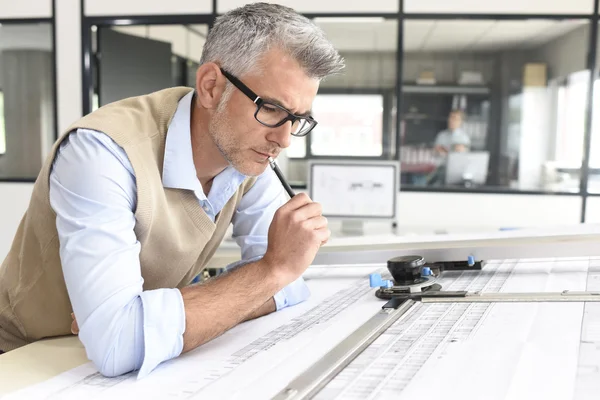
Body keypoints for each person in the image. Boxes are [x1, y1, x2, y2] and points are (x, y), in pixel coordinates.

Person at [0, 3, 344, 378]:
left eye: (298, 119)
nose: (284, 139)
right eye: (273, 109)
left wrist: (147, 315)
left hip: (127, 364)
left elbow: (292, 285)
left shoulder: (252, 154)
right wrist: (267, 273)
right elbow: (117, 344)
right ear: (211, 86)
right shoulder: (101, 152)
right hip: (26, 360)